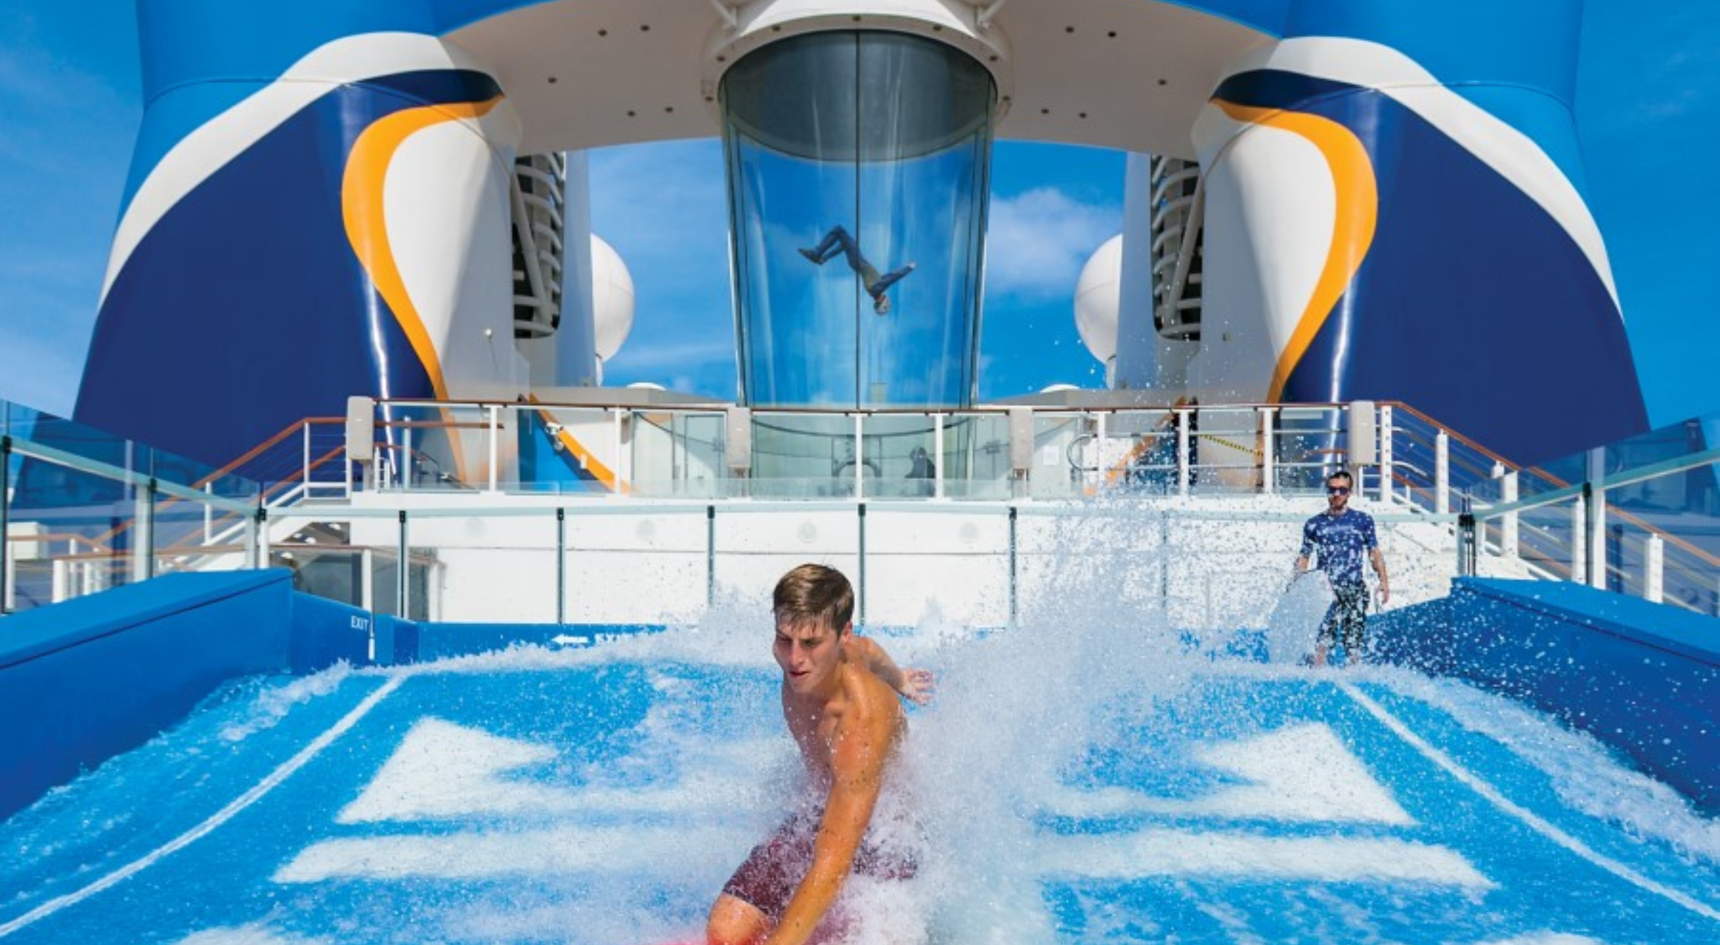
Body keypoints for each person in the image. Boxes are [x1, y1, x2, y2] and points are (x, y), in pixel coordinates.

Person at [708, 564, 935, 945]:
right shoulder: (819, 657)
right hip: (825, 811)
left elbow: (832, 863)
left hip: (886, 833)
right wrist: (901, 679)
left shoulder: (860, 722)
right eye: (784, 640)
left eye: (810, 643)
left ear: (840, 635)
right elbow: (869, 650)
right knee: (725, 933)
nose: (795, 658)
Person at [1292, 470, 1390, 666]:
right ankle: (1316, 679)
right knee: (1322, 640)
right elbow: (1304, 556)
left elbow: (1374, 552)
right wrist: (1295, 581)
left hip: (1354, 587)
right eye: (1332, 489)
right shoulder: (1314, 524)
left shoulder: (1362, 520)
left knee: (1353, 642)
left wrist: (1384, 581)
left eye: (1342, 490)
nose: (1336, 494)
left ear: (1349, 493)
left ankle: (1352, 671)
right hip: (1325, 590)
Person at [800, 225, 916, 315]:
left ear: (884, 301)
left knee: (839, 230)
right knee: (846, 243)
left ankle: (816, 254)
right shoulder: (877, 288)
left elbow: (894, 277)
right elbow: (890, 276)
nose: (886, 297)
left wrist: (909, 268)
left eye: (886, 299)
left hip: (856, 260)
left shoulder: (878, 289)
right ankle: (823, 259)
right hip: (856, 261)